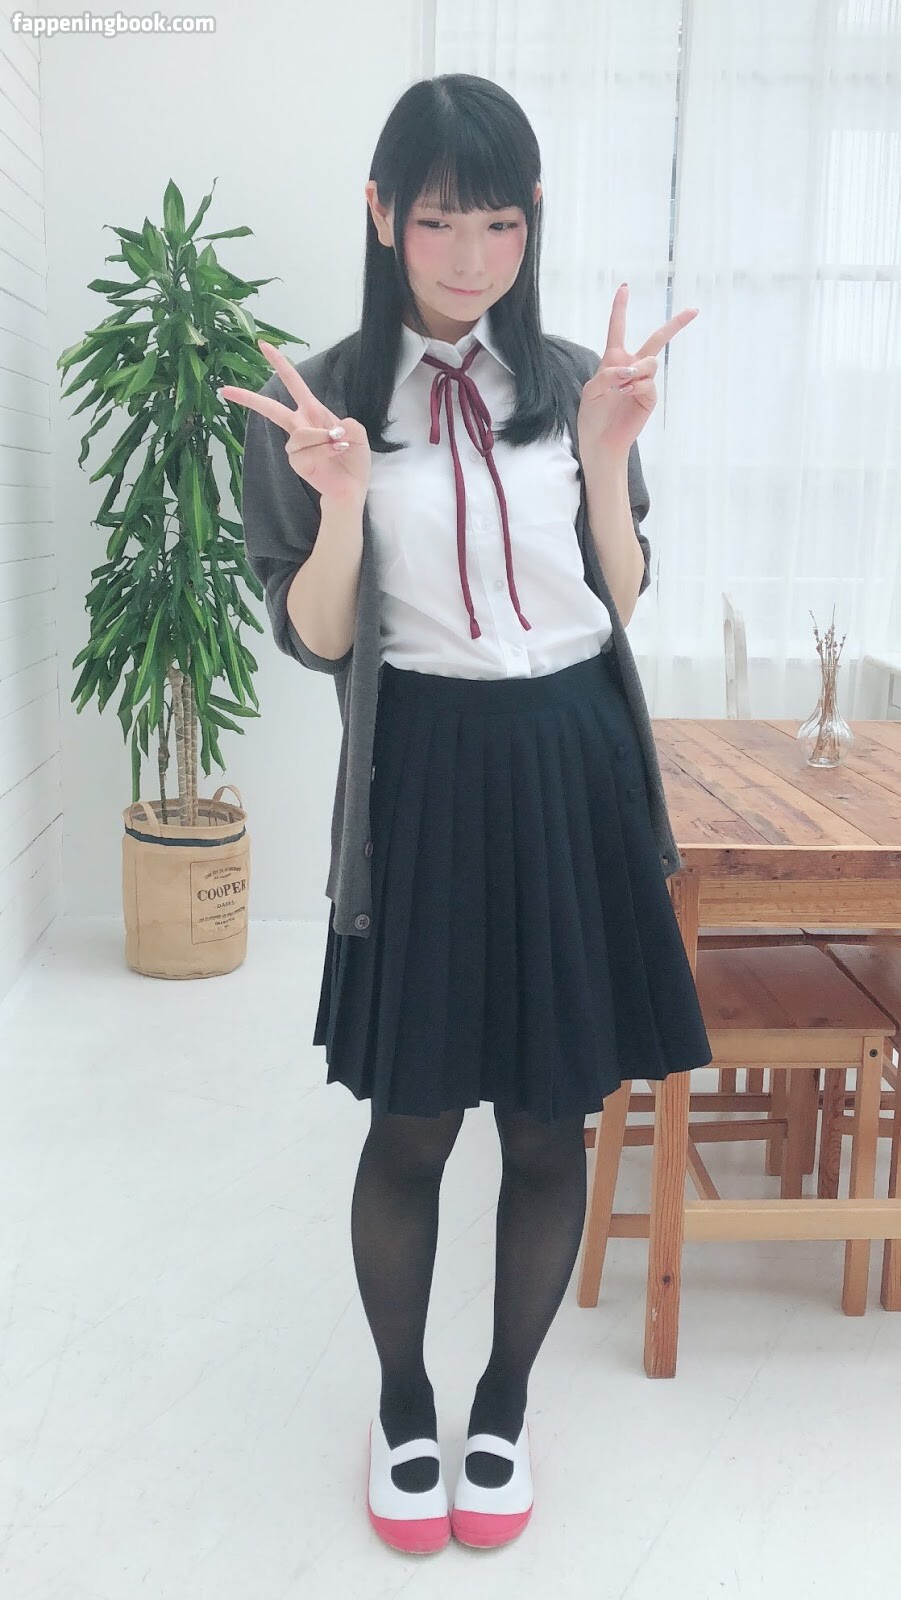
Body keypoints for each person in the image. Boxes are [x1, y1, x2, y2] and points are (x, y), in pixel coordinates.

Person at [225, 72, 713, 1555]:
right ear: (381, 215)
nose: (468, 256)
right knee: (415, 1119)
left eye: (499, 222)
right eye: (438, 219)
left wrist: (610, 454)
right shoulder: (322, 400)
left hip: (571, 760)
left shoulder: (568, 379)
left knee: (549, 1119)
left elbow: (619, 597)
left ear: (532, 221)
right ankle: (400, 1405)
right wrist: (341, 498)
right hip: (425, 770)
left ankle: (501, 1406)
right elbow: (319, 637)